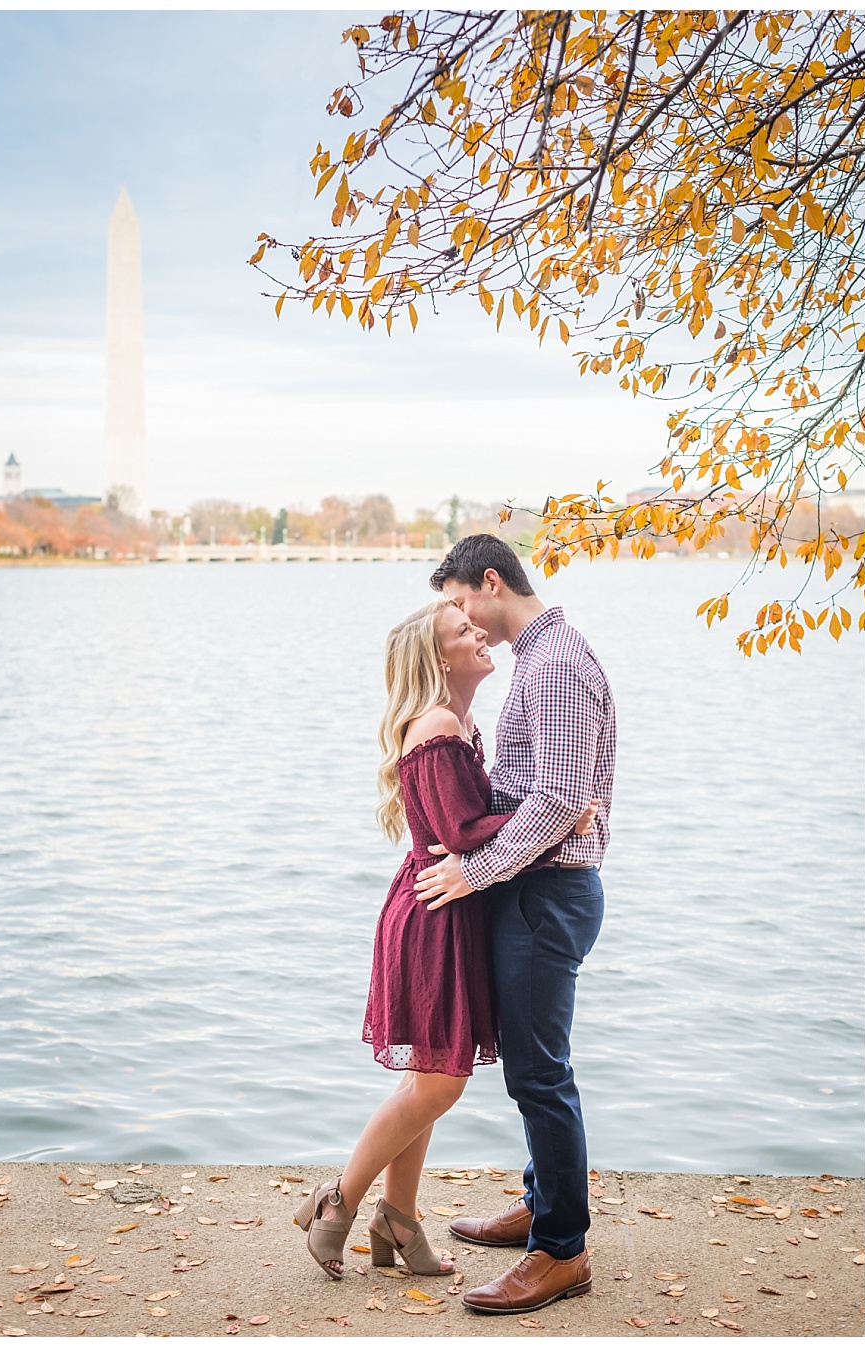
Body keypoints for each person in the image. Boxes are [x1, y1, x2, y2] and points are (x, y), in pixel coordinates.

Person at [295, 597, 597, 1280]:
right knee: (439, 1084)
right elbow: (461, 833)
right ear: (438, 657)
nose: (480, 632)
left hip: (449, 907)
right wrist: (555, 813)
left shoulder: (457, 721)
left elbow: (469, 819)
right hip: (433, 915)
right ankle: (336, 1202)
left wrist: (547, 809)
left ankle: (398, 1221)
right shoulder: (436, 725)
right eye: (464, 630)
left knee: (428, 1074)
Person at [412, 533, 617, 1315]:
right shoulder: (543, 655)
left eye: (463, 604)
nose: (463, 621)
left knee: (541, 1075)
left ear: (490, 582)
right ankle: (542, 1201)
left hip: (546, 895)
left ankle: (561, 1249)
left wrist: (474, 869)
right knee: (535, 1070)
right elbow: (537, 787)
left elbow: (561, 798)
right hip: (538, 887)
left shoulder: (556, 663)